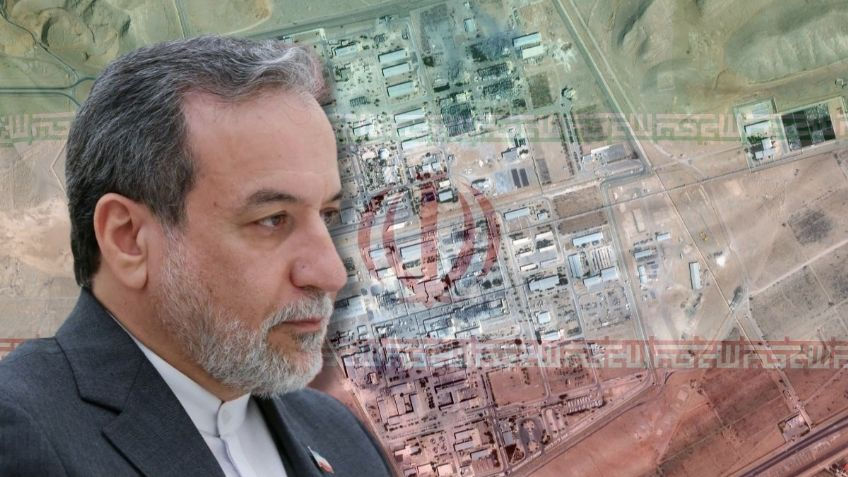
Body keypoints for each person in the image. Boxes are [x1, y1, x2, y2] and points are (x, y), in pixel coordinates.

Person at [0, 36, 392, 477]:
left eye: (327, 215)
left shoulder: (339, 435)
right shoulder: (21, 436)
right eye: (272, 220)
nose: (331, 273)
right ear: (128, 239)